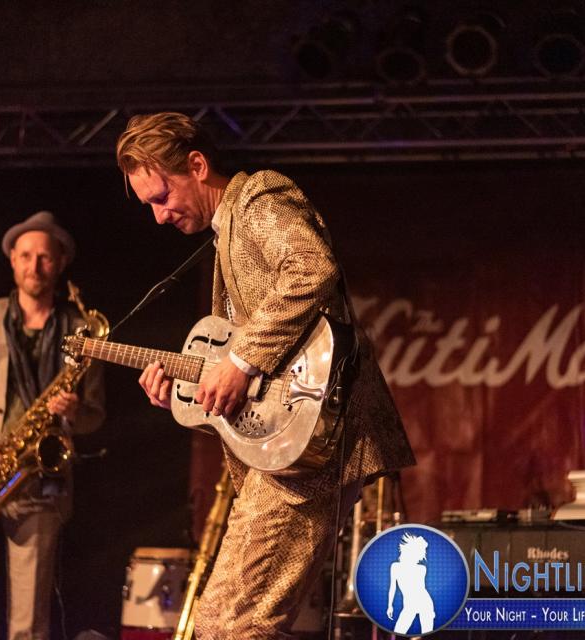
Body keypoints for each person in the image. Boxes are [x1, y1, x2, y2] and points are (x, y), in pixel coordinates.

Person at [116, 112, 414, 640]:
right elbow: (255, 382)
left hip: (312, 446)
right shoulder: (225, 233)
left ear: (198, 165)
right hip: (288, 449)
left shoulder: (257, 198)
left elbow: (311, 267)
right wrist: (187, 395)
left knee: (233, 625)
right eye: (150, 206)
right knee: (227, 623)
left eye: (162, 196)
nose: (159, 216)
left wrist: (240, 362)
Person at [0, 211, 106, 640]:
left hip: (41, 480)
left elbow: (95, 415)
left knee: (29, 622)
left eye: (44, 257)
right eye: (25, 256)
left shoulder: (83, 330)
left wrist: (74, 411)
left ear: (60, 262)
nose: (34, 266)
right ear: (12, 260)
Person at [387, 532, 435, 634]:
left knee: (427, 633)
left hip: (424, 603)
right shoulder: (395, 567)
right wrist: (390, 605)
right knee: (398, 631)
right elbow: (392, 587)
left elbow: (421, 589)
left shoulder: (422, 569)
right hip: (409, 605)